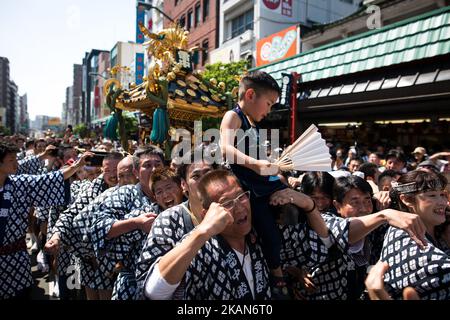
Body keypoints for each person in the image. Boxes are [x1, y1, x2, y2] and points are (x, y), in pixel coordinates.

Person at [142, 169, 272, 300]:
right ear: (208, 214)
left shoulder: (260, 233)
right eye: (227, 203)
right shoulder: (201, 249)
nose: (239, 208)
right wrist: (203, 231)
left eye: (241, 196)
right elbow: (155, 292)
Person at [220, 71, 291, 297]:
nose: (269, 111)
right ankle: (277, 273)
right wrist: (257, 165)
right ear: (250, 95)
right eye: (268, 103)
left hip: (262, 182)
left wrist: (273, 166)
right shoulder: (233, 116)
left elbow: (258, 158)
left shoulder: (253, 123)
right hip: (248, 187)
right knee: (269, 232)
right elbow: (226, 149)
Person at [299, 175, 427, 300]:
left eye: (367, 200)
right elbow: (346, 231)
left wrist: (388, 196)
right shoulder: (323, 220)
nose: (364, 208)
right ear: (337, 206)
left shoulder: (376, 224)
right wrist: (384, 215)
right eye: (355, 202)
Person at [0, 142, 91, 299]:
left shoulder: (19, 184)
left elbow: (46, 180)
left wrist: (77, 166)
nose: (16, 163)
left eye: (16, 158)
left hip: (15, 259)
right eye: (11, 160)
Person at [380, 170, 450, 299]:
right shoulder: (403, 236)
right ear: (407, 200)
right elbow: (441, 269)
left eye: (442, 194)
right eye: (432, 195)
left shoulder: (440, 230)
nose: (442, 202)